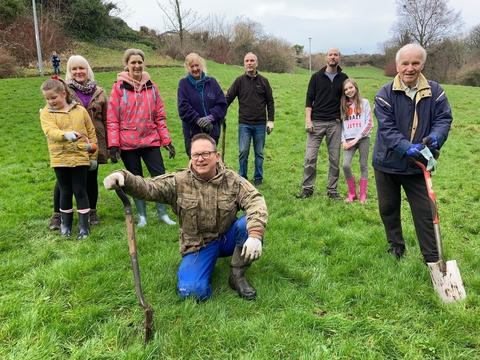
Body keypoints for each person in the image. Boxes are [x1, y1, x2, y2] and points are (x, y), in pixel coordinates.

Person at [103, 133, 268, 301]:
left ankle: (237, 276)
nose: (200, 159)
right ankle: (201, 269)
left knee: (248, 223)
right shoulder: (178, 182)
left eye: (206, 154)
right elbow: (149, 187)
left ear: (216, 156)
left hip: (227, 237)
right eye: (196, 154)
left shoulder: (232, 180)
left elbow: (255, 200)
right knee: (192, 292)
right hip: (198, 244)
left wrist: (255, 234)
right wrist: (124, 177)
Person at [372, 43, 453, 263]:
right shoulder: (384, 94)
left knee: (426, 213)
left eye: (415, 63)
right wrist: (405, 147)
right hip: (387, 163)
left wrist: (438, 136)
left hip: (419, 165)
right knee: (388, 209)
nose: (410, 68)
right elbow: (386, 129)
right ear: (397, 65)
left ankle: (432, 258)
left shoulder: (436, 92)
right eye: (405, 63)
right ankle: (396, 246)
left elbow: (443, 119)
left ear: (422, 65)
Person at [107, 48, 176, 227]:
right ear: (127, 65)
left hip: (150, 140)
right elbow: (112, 118)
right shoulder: (118, 88)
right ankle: (142, 217)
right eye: (133, 63)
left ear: (143, 64)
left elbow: (160, 116)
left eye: (139, 62)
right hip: (128, 143)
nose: (137, 66)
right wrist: (113, 144)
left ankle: (163, 214)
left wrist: (166, 141)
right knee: (135, 180)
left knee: (160, 177)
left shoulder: (152, 87)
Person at [48, 55, 108, 230]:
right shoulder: (63, 90)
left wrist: (108, 145)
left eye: (81, 68)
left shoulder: (100, 92)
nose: (78, 71)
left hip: (93, 142)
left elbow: (106, 119)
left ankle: (91, 212)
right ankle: (57, 216)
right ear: (69, 71)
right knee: (63, 182)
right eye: (74, 69)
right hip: (68, 145)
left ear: (88, 69)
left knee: (91, 178)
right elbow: (52, 111)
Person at [40, 77, 97, 239]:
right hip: (60, 159)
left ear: (63, 94)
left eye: (53, 97)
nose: (50, 101)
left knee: (80, 190)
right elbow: (50, 131)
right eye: (47, 98)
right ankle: (65, 226)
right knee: (65, 191)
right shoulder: (46, 113)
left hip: (80, 157)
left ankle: (84, 228)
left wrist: (93, 155)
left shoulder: (80, 110)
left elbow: (91, 133)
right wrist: (65, 135)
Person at [296, 48, 349, 200]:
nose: (333, 57)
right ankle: (307, 189)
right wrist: (308, 120)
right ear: (326, 57)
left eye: (336, 55)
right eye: (330, 55)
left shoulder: (343, 78)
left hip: (335, 123)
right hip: (316, 122)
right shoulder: (316, 77)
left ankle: (332, 190)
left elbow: (349, 98)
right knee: (310, 157)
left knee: (334, 159)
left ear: (339, 58)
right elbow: (309, 99)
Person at [225, 52, 275, 187]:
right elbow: (228, 98)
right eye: (247, 61)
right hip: (244, 124)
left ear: (256, 63)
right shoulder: (239, 81)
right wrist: (220, 112)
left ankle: (258, 178)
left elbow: (270, 101)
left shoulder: (264, 81)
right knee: (243, 151)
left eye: (252, 60)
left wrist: (271, 120)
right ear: (244, 64)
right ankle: (242, 177)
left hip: (260, 124)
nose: (249, 63)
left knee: (259, 153)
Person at [177, 53, 227, 158]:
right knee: (196, 163)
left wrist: (210, 118)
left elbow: (222, 104)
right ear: (187, 68)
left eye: (197, 65)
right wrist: (198, 120)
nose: (195, 69)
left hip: (211, 131)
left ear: (202, 65)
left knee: (210, 162)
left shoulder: (212, 83)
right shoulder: (183, 84)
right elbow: (183, 107)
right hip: (192, 133)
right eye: (192, 66)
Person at [340, 78, 374, 203]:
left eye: (351, 87)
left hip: (363, 139)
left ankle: (363, 195)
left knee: (363, 164)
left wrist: (357, 138)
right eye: (346, 89)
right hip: (348, 140)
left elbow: (369, 123)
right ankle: (352, 193)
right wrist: (343, 140)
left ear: (355, 87)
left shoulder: (364, 103)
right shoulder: (343, 106)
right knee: (345, 165)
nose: (349, 91)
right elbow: (341, 125)